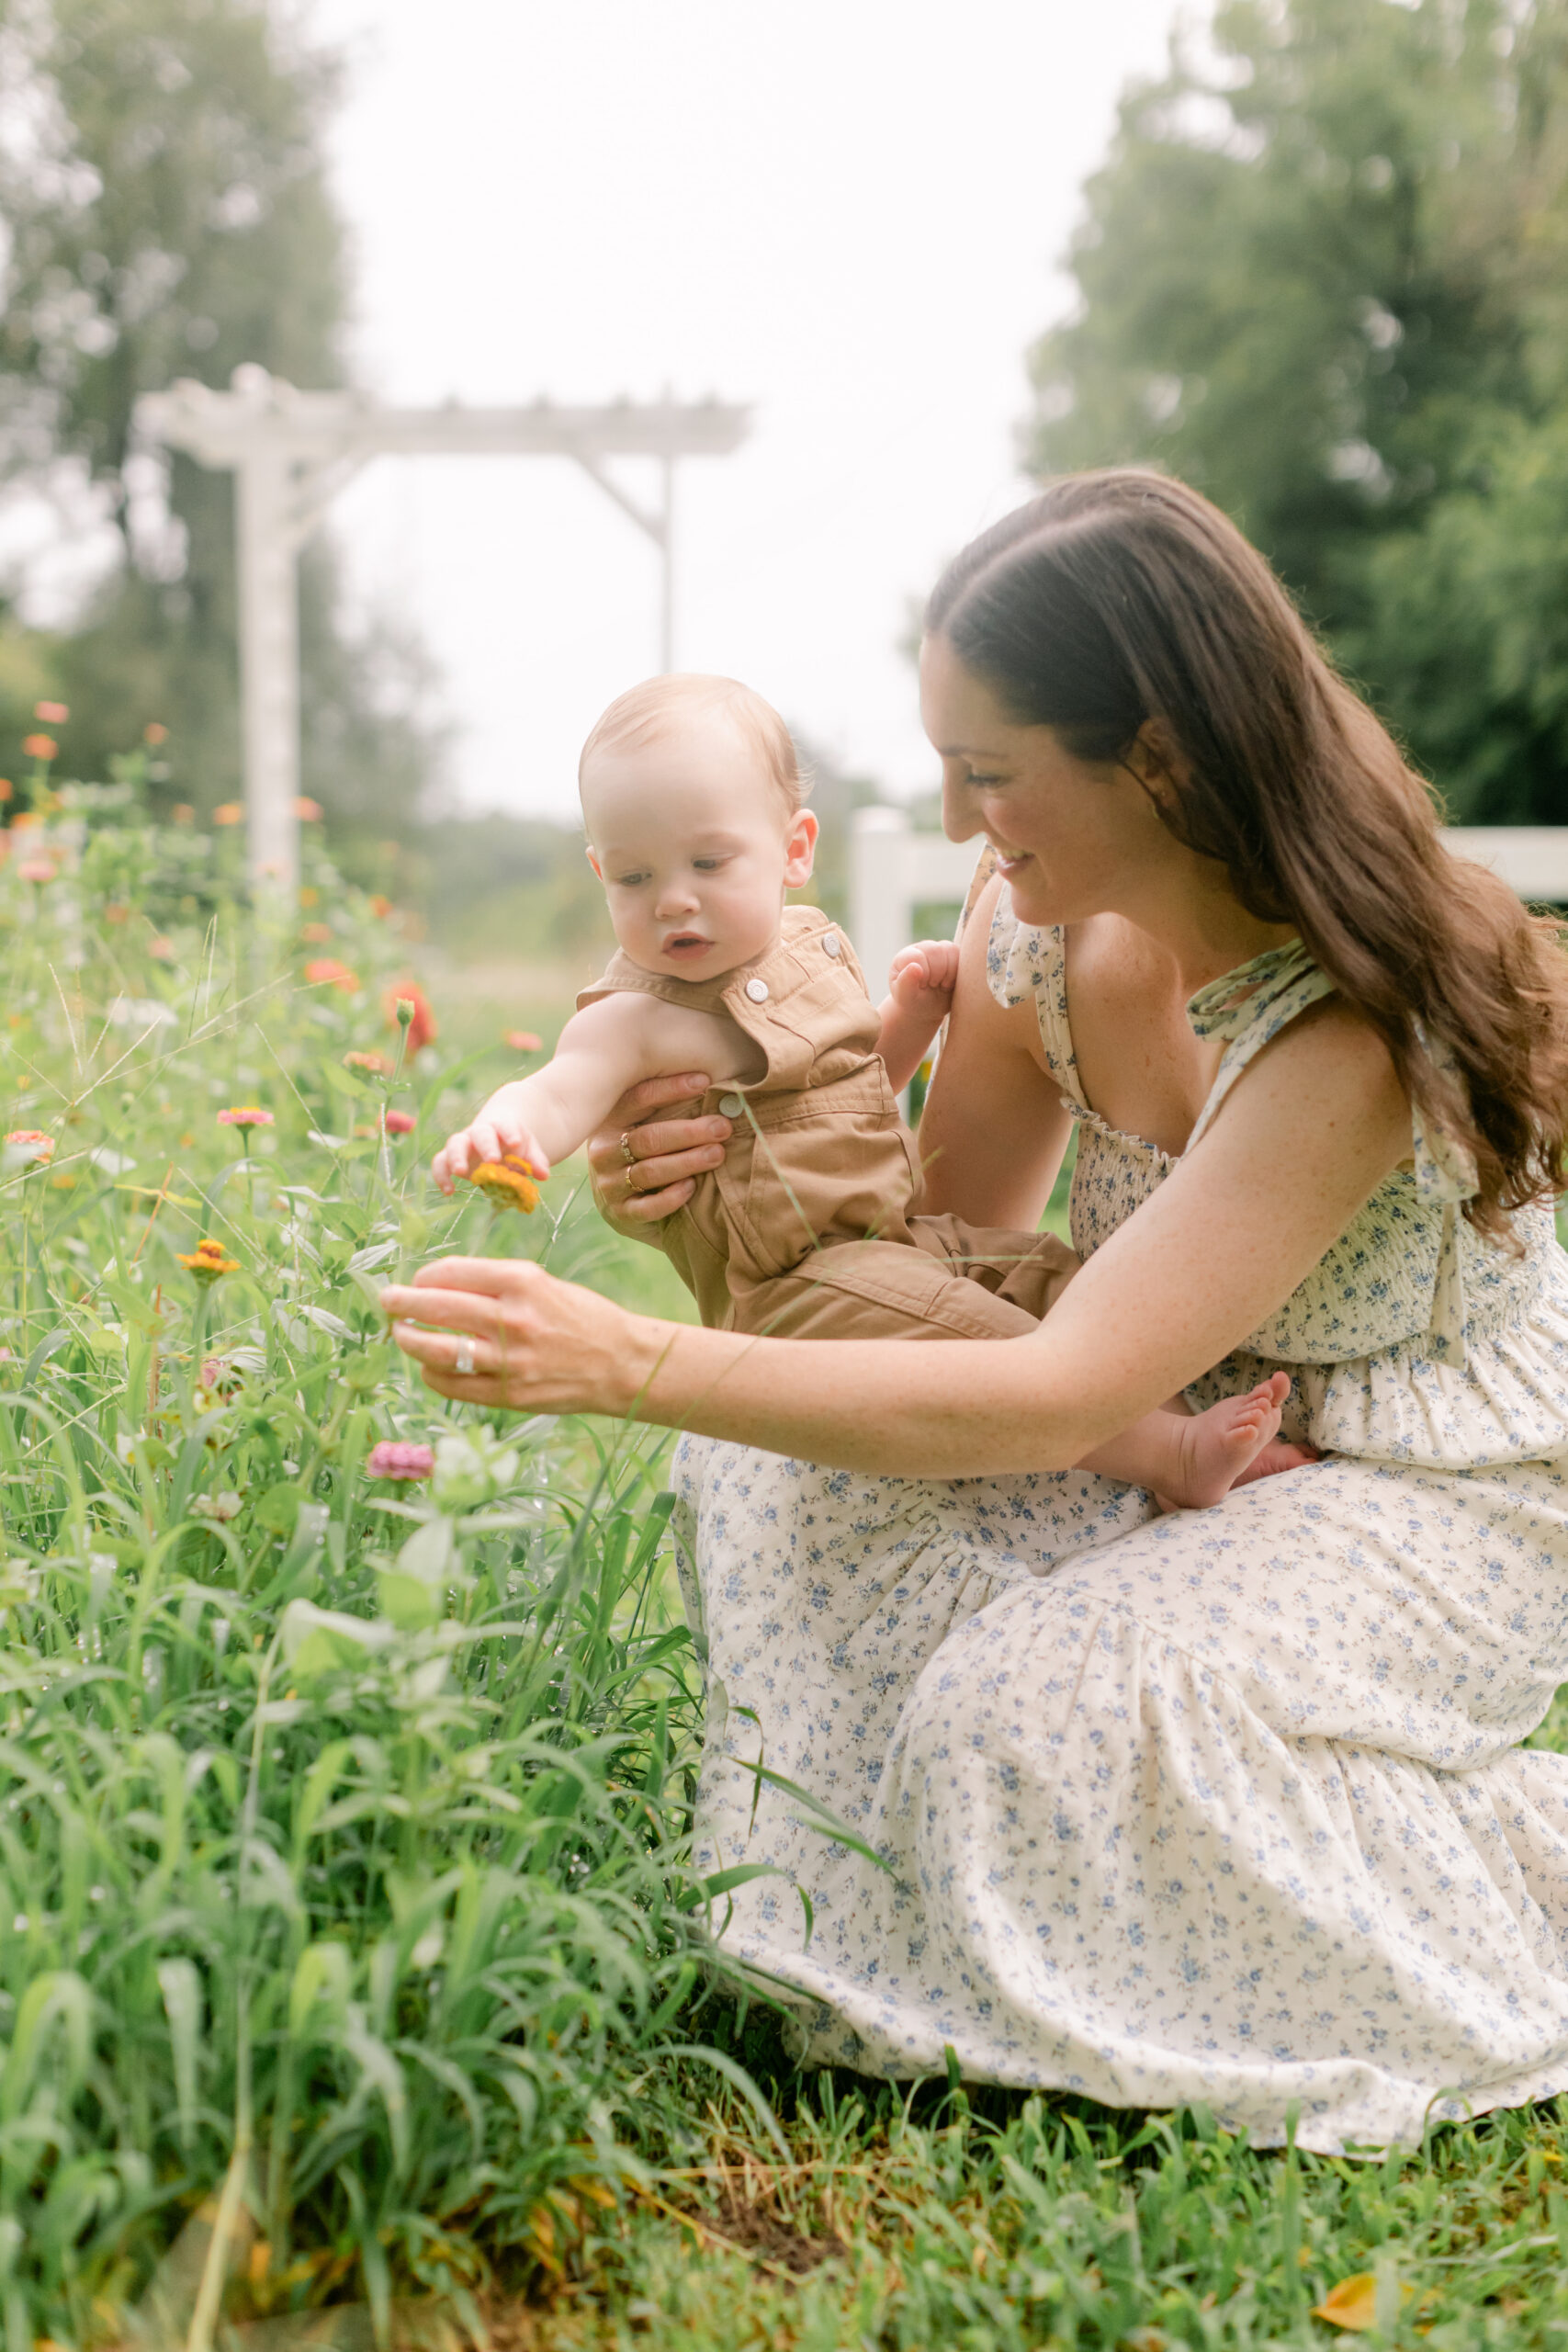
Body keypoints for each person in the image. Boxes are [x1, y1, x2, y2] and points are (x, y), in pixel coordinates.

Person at [385, 469, 1568, 2154]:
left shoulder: (1342, 1031)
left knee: (1016, 1721)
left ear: (1153, 758)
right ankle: (976, 1885)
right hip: (1167, 1422)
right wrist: (714, 1234)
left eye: (990, 772)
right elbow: (924, 1257)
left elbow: (1039, 1391)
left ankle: (1497, 1871)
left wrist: (627, 1365)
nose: (951, 819)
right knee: (775, 1471)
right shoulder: (1027, 929)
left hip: (1416, 1486)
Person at [431, 671, 1306, 1509]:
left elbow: (845, 1097)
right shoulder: (632, 1019)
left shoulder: (809, 948)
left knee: (1051, 1277)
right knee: (990, 1345)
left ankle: (1182, 1416)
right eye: (635, 877)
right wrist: (502, 1134)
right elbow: (556, 1090)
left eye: (707, 862)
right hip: (794, 1293)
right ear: (599, 874)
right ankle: (1171, 1456)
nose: (673, 902)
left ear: (794, 851)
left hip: (893, 1244)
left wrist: (910, 1021)